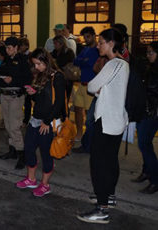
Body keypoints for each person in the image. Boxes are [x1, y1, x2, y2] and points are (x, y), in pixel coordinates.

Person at [77, 28, 129, 224]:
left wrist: (98, 88)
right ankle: (109, 196)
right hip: (115, 120)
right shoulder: (123, 65)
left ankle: (102, 208)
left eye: (101, 42)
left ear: (112, 44)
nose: (98, 45)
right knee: (110, 161)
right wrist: (101, 90)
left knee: (99, 164)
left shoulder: (113, 64)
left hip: (107, 121)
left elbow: (91, 86)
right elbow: (106, 91)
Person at [16, 48, 66, 197]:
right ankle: (31, 179)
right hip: (36, 118)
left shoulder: (57, 77)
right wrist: (34, 93)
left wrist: (47, 121)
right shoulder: (40, 76)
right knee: (29, 148)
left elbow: (58, 104)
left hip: (48, 122)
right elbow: (40, 100)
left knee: (46, 153)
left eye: (38, 64)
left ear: (46, 61)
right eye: (34, 64)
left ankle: (45, 184)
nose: (36, 67)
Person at [0, 37, 32, 170]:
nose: (7, 50)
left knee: (14, 126)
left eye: (10, 48)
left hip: (16, 96)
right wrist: (0, 79)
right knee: (7, 124)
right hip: (4, 95)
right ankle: (12, 150)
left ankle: (22, 154)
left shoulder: (23, 61)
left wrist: (12, 80)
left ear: (16, 48)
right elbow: (0, 74)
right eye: (6, 47)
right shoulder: (5, 60)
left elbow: (27, 78)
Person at [132, 42, 158, 194]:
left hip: (151, 113)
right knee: (145, 144)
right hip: (146, 110)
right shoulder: (150, 68)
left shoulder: (154, 71)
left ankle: (155, 179)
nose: (148, 56)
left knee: (144, 145)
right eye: (147, 52)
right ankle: (147, 172)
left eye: (151, 53)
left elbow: (152, 89)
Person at [72, 27, 99, 143]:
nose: (86, 39)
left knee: (89, 116)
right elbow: (76, 61)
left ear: (94, 36)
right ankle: (79, 133)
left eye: (88, 36)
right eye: (84, 37)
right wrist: (84, 61)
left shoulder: (98, 50)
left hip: (92, 86)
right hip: (82, 85)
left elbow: (93, 65)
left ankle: (89, 139)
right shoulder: (85, 49)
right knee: (77, 109)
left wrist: (83, 61)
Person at [51, 35, 75, 99]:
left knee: (65, 99)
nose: (54, 45)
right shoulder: (55, 52)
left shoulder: (69, 52)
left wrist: (55, 61)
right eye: (54, 43)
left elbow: (62, 63)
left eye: (56, 43)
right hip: (57, 79)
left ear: (61, 43)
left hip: (66, 79)